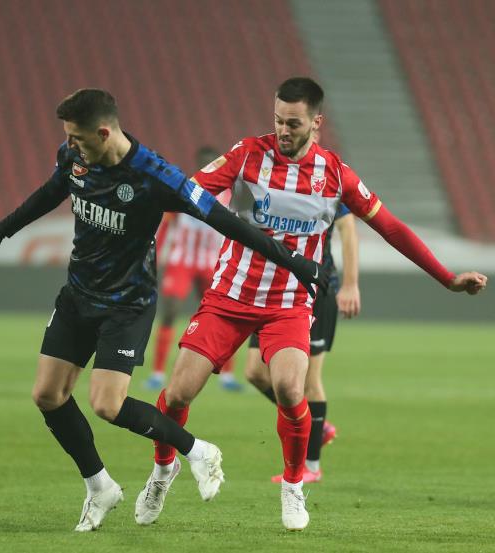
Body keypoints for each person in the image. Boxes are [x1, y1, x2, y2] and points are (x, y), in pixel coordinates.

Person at [135, 77, 487, 531]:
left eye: (293, 123)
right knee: (179, 393)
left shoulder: (336, 175)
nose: (283, 130)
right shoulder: (247, 155)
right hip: (230, 296)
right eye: (278, 120)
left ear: (316, 123)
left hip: (289, 303)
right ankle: (163, 472)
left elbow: (392, 228)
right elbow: (189, 191)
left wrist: (446, 278)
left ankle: (293, 486)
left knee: (289, 388)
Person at [0, 88, 327, 532]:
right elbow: (49, 193)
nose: (70, 145)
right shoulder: (74, 157)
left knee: (107, 405)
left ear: (104, 133)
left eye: (78, 137)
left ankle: (196, 451)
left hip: (127, 304)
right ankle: (100, 486)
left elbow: (226, 222)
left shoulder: (156, 176)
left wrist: (292, 260)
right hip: (78, 295)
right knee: (47, 395)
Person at [245, 203, 359, 484]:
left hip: (314, 290)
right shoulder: (271, 183)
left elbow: (348, 226)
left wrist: (350, 284)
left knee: (308, 380)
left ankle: (312, 465)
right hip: (272, 291)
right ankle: (315, 424)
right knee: (256, 372)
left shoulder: (328, 185)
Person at [147, 146, 242, 392]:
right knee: (170, 311)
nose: (208, 167)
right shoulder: (184, 189)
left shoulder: (229, 195)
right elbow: (166, 225)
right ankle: (157, 373)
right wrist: (155, 256)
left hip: (212, 262)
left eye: (212, 163)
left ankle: (227, 376)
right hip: (183, 260)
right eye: (204, 163)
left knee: (223, 317)